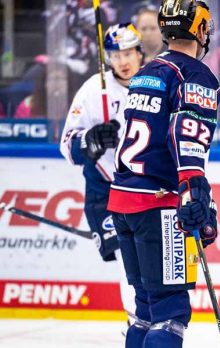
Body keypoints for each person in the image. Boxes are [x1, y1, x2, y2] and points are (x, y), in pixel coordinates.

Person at [107, 0, 218, 348]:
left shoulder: (150, 70)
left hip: (124, 199)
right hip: (159, 205)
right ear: (201, 30)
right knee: (171, 310)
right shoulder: (195, 74)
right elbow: (186, 135)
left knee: (145, 307)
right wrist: (196, 195)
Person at [59, 24, 143, 326]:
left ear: (139, 52)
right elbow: (67, 147)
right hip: (105, 190)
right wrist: (90, 141)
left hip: (144, 188)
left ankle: (149, 320)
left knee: (148, 259)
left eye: (128, 52)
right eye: (115, 54)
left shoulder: (155, 83)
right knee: (125, 257)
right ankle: (135, 324)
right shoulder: (94, 89)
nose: (123, 60)